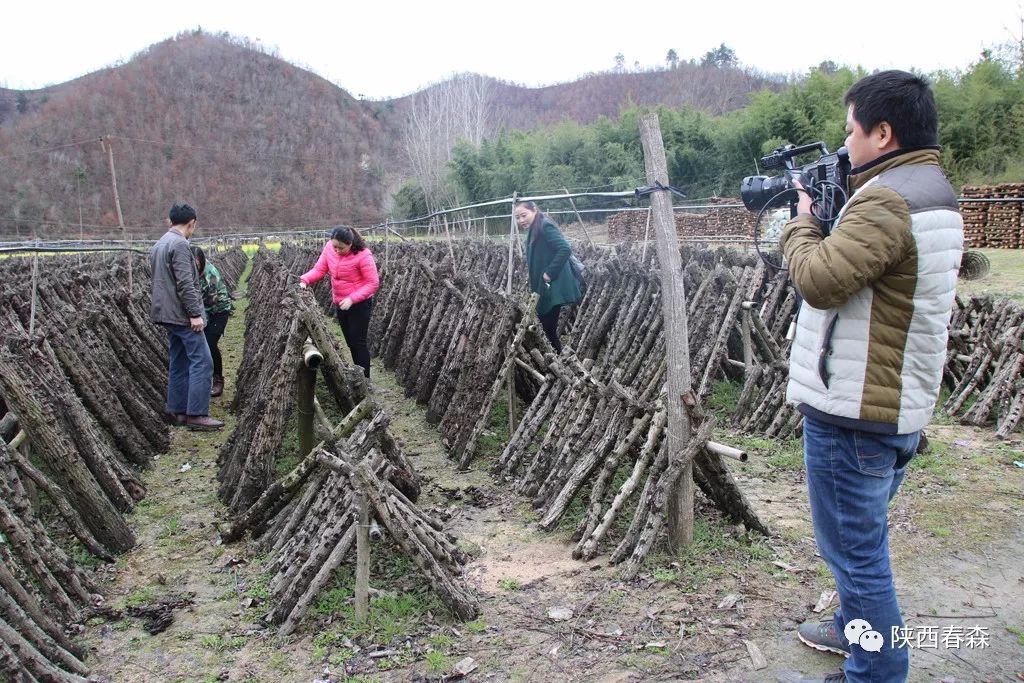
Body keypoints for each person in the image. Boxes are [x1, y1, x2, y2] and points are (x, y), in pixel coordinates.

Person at [780, 71, 963, 683]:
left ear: (883, 133)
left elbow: (820, 280)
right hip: (893, 401)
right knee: (860, 547)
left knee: (858, 558)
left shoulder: (887, 199)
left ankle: (876, 673)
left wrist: (803, 222)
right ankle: (851, 631)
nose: (845, 141)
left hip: (854, 411)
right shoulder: (932, 189)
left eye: (851, 128)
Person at [149, 204, 224, 431]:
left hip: (165, 313)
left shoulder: (159, 244)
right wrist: (194, 314)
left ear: (169, 221)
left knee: (179, 360)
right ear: (192, 222)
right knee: (203, 361)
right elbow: (185, 284)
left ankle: (178, 410)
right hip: (182, 315)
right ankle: (197, 414)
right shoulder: (180, 245)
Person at [299, 226, 379, 378]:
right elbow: (319, 269)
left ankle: (365, 380)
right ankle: (358, 375)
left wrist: (352, 298)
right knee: (350, 342)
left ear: (351, 243)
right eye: (334, 246)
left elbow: (372, 283)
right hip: (341, 303)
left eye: (341, 248)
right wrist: (304, 280)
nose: (336, 250)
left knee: (358, 343)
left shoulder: (363, 255)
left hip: (360, 305)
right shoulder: (330, 248)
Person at [513, 201, 582, 353]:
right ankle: (554, 359)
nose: (521, 220)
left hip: (552, 287)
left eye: (524, 215)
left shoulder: (544, 225)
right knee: (546, 328)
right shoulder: (534, 227)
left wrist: (549, 273)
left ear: (534, 210)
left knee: (547, 330)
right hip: (544, 287)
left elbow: (564, 248)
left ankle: (556, 361)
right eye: (517, 217)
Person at [190, 245, 234, 398]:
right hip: (200, 312)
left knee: (209, 343)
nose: (194, 266)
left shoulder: (210, 275)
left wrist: (200, 319)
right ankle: (201, 379)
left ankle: (218, 380)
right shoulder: (188, 271)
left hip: (218, 312)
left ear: (201, 261)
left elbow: (211, 302)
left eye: (196, 263)